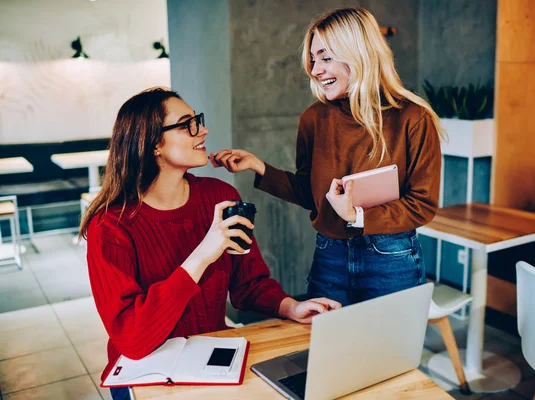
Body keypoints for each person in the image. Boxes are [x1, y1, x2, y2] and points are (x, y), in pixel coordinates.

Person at [79, 87, 341, 400]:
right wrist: (203, 253)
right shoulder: (110, 226)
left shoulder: (218, 196)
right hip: (144, 374)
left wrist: (292, 307)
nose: (202, 130)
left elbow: (249, 284)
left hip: (212, 357)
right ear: (153, 145)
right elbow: (133, 340)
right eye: (187, 124)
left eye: (198, 120)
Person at [211, 7, 444, 307]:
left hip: (392, 259)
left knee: (389, 355)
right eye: (313, 59)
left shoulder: (413, 118)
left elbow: (422, 204)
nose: (314, 69)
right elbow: (311, 195)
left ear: (358, 53)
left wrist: (357, 216)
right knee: (330, 354)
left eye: (326, 57)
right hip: (329, 256)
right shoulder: (313, 119)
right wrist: (259, 167)